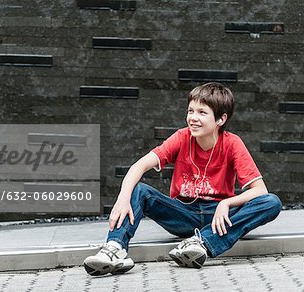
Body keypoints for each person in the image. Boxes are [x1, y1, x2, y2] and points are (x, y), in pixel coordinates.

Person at [83, 82, 282, 276]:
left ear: (220, 119)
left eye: (202, 113)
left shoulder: (232, 143)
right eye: (190, 111)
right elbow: (139, 166)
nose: (193, 118)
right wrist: (122, 199)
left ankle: (202, 243)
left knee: (271, 202)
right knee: (139, 191)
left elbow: (259, 190)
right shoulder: (181, 137)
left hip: (218, 217)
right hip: (183, 212)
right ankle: (115, 248)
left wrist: (227, 203)